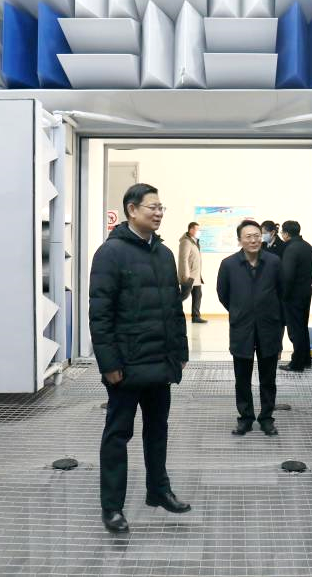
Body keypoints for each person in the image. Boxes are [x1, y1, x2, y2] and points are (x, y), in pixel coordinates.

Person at [89, 183, 191, 534]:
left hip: (160, 362)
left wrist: (180, 352)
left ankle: (158, 490)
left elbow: (174, 309)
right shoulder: (110, 253)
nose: (159, 213)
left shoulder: (164, 254)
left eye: (161, 207)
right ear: (132, 210)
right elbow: (100, 314)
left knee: (158, 430)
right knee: (118, 435)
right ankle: (112, 507)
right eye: (153, 207)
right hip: (127, 366)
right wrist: (109, 364)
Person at [217, 219, 285, 437]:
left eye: (257, 235)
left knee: (268, 378)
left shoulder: (274, 262)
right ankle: (245, 418)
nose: (254, 240)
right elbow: (223, 294)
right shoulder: (229, 264)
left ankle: (266, 418)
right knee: (242, 378)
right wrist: (239, 310)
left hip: (269, 327)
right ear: (240, 240)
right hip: (242, 327)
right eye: (248, 236)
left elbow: (282, 292)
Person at [278, 220, 312, 372]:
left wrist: (283, 296)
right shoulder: (307, 246)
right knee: (302, 327)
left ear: (286, 234)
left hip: (293, 295)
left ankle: (297, 363)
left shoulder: (291, 249)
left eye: (282, 232)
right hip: (305, 292)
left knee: (295, 330)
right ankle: (306, 359)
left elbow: (287, 276)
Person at [178, 222, 206, 324]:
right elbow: (183, 259)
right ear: (191, 230)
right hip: (189, 276)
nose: (199, 232)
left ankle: (196, 317)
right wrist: (186, 275)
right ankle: (169, 310)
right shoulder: (186, 242)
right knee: (184, 295)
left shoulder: (195, 242)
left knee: (198, 295)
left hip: (196, 276)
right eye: (197, 229)